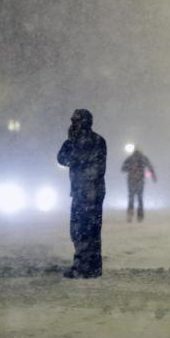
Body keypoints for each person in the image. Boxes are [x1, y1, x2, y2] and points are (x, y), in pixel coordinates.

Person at [57, 109, 107, 278]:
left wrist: (75, 152)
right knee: (92, 229)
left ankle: (82, 266)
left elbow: (65, 159)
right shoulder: (97, 141)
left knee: (80, 229)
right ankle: (93, 266)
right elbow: (61, 158)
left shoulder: (89, 142)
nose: (72, 125)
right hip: (91, 192)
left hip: (86, 192)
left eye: (75, 121)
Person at [121, 148, 156, 222]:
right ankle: (139, 216)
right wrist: (153, 176)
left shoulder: (130, 158)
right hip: (139, 180)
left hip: (132, 180)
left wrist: (130, 168)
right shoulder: (142, 158)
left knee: (131, 198)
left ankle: (130, 214)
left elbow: (123, 169)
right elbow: (150, 167)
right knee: (139, 198)